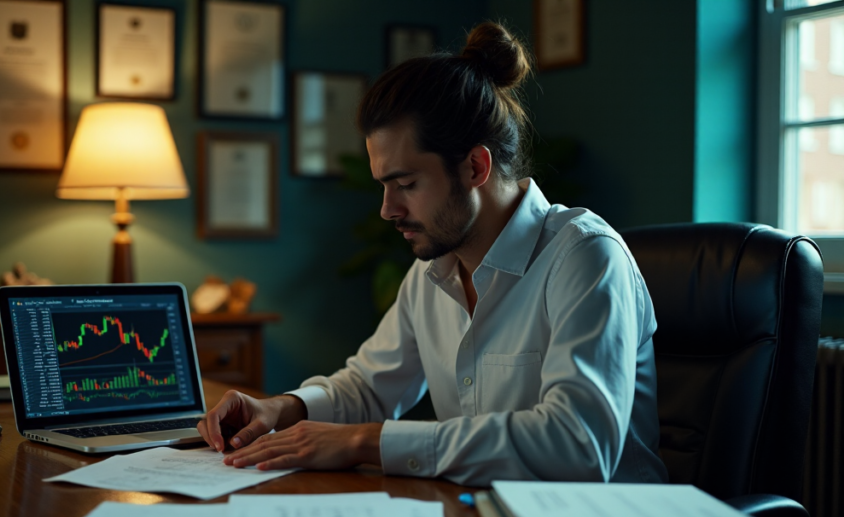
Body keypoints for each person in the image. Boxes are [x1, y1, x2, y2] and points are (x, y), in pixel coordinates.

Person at [197, 21, 669, 486]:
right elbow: (368, 386)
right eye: (385, 185)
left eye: (406, 184)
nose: (387, 209)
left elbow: (579, 445)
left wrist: (367, 442)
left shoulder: (585, 257)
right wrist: (280, 408)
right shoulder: (433, 272)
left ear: (475, 167)